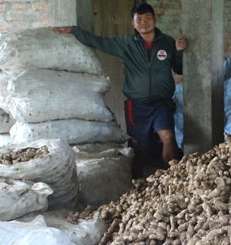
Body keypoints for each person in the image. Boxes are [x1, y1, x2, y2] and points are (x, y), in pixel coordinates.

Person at [53, 3, 187, 178]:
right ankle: (137, 185)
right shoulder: (126, 44)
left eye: (147, 18)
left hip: (161, 104)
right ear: (133, 23)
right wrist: (74, 31)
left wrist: (179, 52)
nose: (144, 23)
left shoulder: (167, 42)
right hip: (137, 107)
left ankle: (176, 178)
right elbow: (99, 42)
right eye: (139, 19)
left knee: (168, 138)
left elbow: (180, 69)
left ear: (154, 20)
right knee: (140, 149)